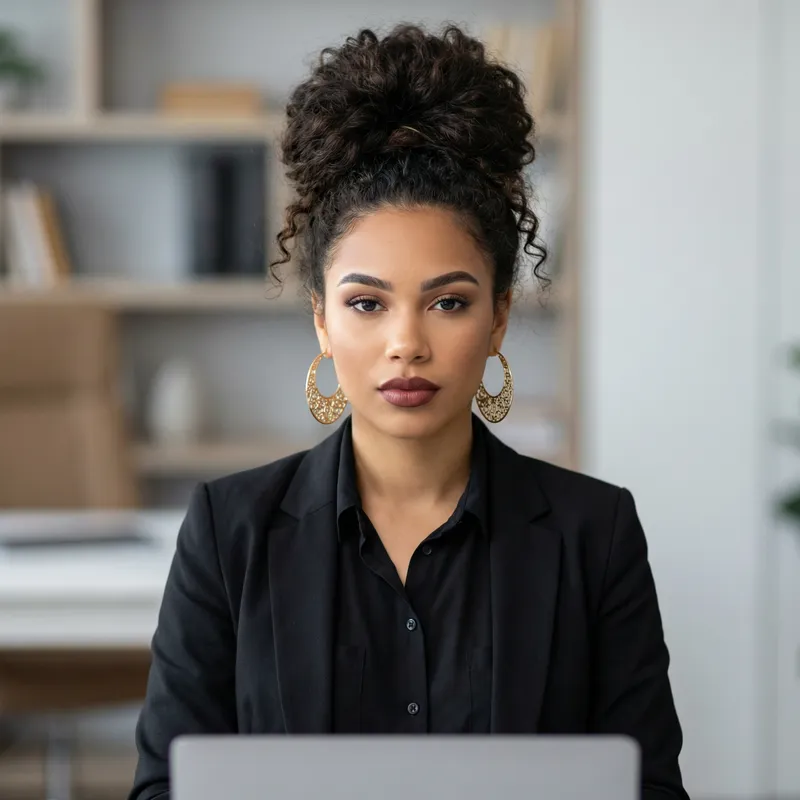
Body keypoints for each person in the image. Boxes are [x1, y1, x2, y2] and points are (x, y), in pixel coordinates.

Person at [129, 23, 690, 800]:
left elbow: (648, 789)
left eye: (448, 302)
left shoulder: (594, 536)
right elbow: (164, 789)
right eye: (366, 303)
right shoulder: (230, 533)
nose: (406, 344)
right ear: (321, 319)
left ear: (497, 317)